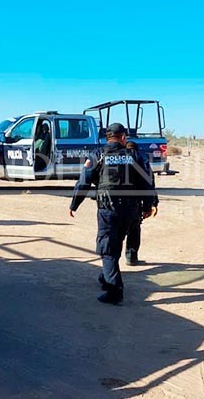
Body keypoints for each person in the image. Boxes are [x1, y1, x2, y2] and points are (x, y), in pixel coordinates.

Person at [69, 123, 156, 305]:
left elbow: (84, 181)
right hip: (131, 211)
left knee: (108, 247)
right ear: (123, 137)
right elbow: (146, 182)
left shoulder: (98, 155)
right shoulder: (134, 156)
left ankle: (114, 290)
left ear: (107, 138)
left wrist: (74, 204)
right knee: (116, 243)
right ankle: (106, 275)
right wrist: (148, 206)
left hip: (109, 209)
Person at [124, 140, 159, 266]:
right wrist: (151, 204)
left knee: (116, 232)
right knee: (134, 230)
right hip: (134, 202)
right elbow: (149, 183)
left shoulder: (116, 158)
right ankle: (131, 257)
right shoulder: (140, 159)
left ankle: (111, 260)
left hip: (115, 202)